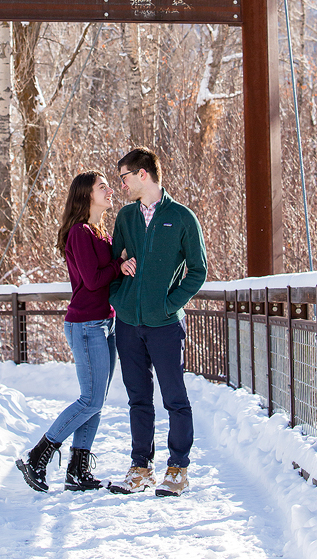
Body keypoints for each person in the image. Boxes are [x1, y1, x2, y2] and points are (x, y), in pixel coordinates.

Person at [16, 170, 135, 493]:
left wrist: (119, 265)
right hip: (86, 324)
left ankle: (77, 469)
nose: (110, 190)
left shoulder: (99, 232)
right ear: (86, 195)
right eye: (102, 187)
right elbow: (93, 280)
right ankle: (38, 455)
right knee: (90, 399)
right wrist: (119, 265)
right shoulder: (80, 233)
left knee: (97, 400)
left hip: (104, 322)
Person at [107, 147, 207, 498]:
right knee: (138, 399)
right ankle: (141, 467)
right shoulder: (125, 218)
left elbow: (198, 270)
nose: (121, 184)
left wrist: (170, 304)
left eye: (124, 177)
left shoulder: (181, 218)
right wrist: (118, 289)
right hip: (129, 323)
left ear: (143, 174)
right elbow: (112, 263)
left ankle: (178, 468)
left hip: (165, 324)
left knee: (174, 398)